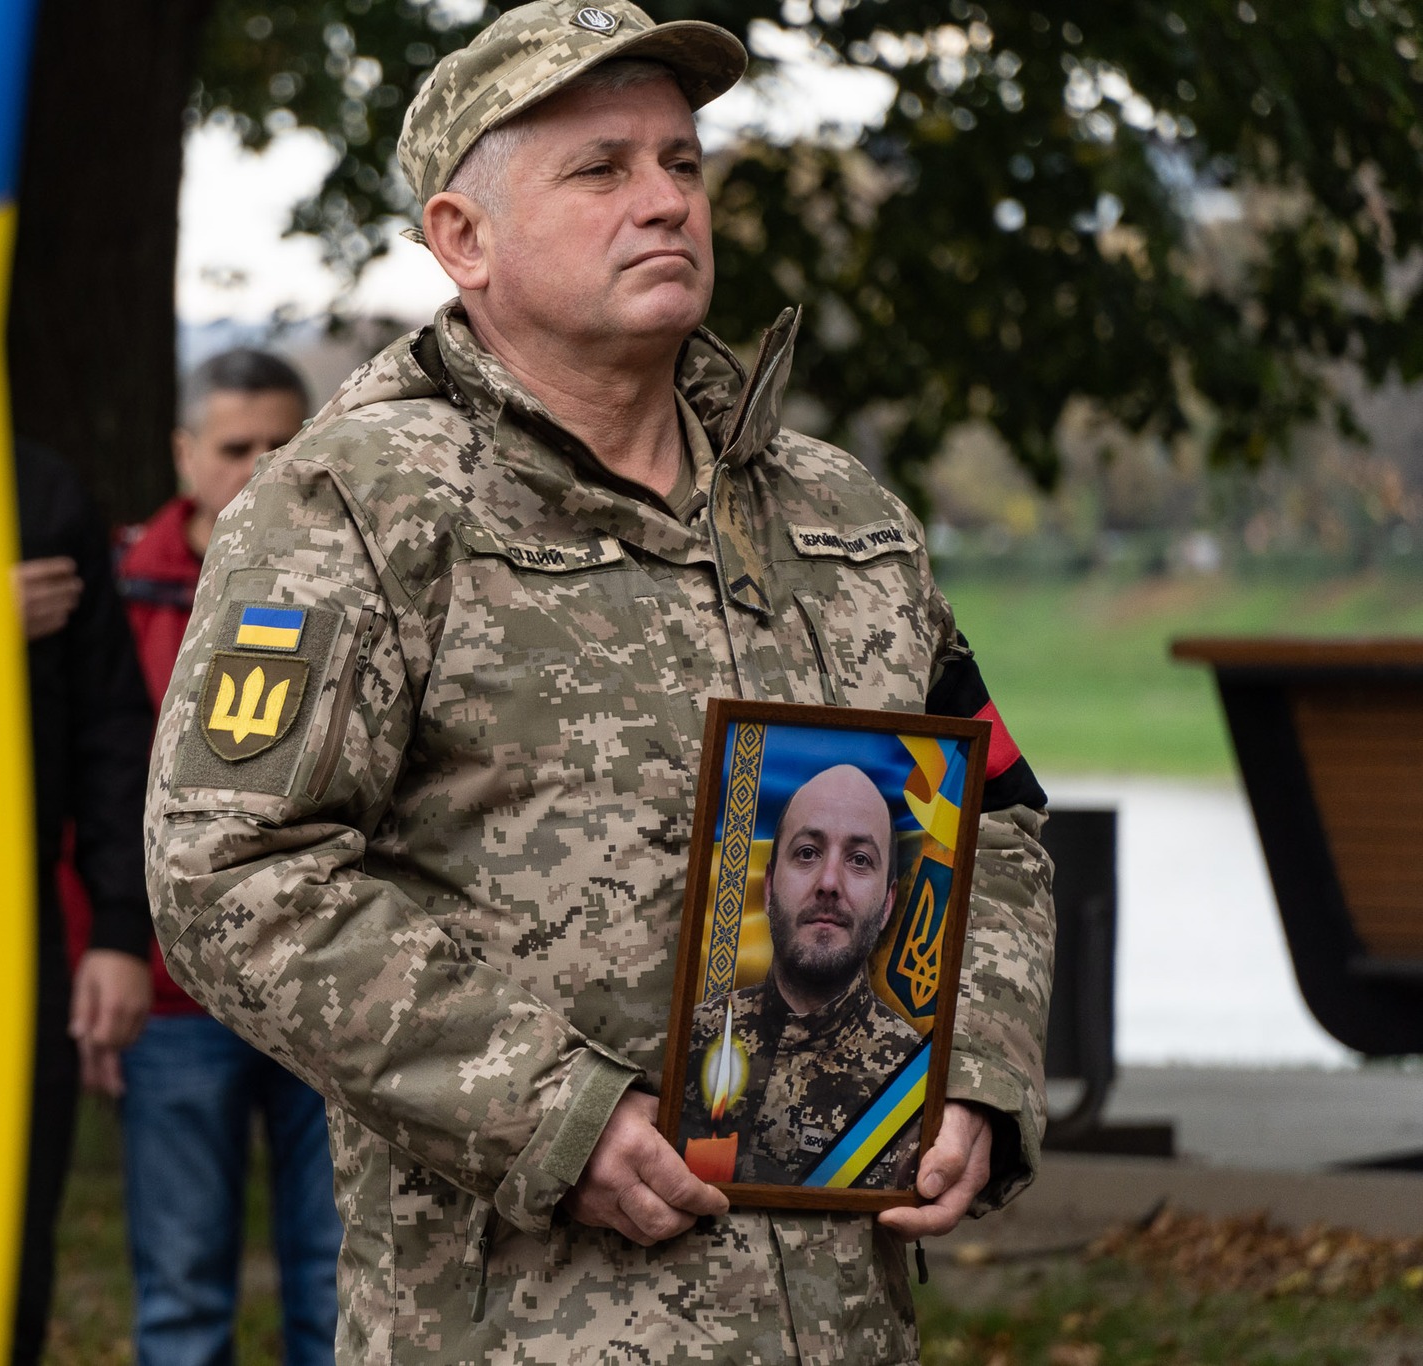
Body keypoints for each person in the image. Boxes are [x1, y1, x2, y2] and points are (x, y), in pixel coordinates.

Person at [143, 4, 1054, 1362]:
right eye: (601, 169)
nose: (664, 202)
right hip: (529, 1319)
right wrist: (552, 1111)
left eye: (682, 164)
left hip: (838, 1320)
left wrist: (968, 1073)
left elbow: (990, 810)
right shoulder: (355, 508)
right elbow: (229, 869)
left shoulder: (837, 514)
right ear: (463, 239)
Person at [68, 349, 345, 1366]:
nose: (262, 464)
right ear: (185, 456)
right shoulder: (121, 588)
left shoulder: (363, 577)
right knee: (182, 1291)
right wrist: (100, 960)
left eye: (284, 442)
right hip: (174, 1003)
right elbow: (96, 794)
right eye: (236, 446)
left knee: (340, 1286)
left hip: (328, 995)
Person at [9, 438, 156, 1366]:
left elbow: (111, 723)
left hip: (9, 938)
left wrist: (116, 926)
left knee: (10, 1238)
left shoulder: (40, 486)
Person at [679, 765, 925, 1190]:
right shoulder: (691, 1038)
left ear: (888, 905)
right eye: (807, 853)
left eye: (860, 860)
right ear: (769, 886)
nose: (828, 882)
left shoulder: (912, 1078)